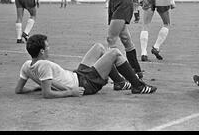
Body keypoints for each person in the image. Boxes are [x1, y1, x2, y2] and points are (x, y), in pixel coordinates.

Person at [15, 34, 157, 98]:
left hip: (77, 75)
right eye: (47, 47)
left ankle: (119, 82)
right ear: (41, 51)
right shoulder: (44, 64)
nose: (49, 48)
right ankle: (138, 86)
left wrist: (37, 86)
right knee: (114, 53)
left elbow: (18, 90)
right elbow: (47, 94)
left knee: (99, 47)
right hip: (84, 83)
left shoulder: (27, 65)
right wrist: (71, 92)